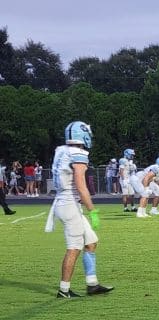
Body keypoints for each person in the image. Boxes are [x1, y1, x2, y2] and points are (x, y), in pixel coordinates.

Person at [47, 121, 113, 298]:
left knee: (91, 242)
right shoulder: (78, 153)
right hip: (69, 204)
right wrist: (92, 210)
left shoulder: (61, 150)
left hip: (66, 202)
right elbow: (81, 186)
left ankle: (92, 284)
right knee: (74, 248)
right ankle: (64, 290)